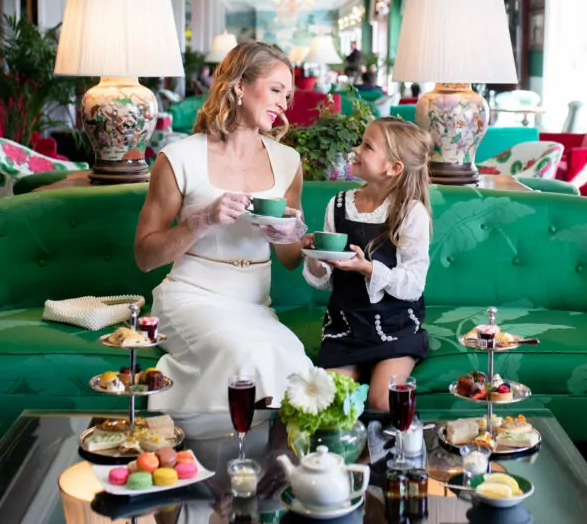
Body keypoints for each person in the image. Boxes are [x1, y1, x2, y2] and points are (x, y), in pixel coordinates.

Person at [135, 41, 312, 411]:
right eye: (276, 90)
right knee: (241, 356)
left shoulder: (287, 161)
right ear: (239, 86)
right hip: (191, 297)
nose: (285, 103)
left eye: (288, 95)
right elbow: (145, 257)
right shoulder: (180, 158)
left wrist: (289, 233)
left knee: (297, 367)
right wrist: (202, 219)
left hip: (254, 306)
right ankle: (214, 457)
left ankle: (266, 465)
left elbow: (291, 260)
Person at [301, 117, 433, 410]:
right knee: (330, 400)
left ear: (394, 167)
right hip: (346, 328)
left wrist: (368, 268)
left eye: (367, 146)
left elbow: (413, 285)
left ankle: (398, 452)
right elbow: (326, 281)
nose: (356, 149)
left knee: (382, 400)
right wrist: (315, 258)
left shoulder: (411, 213)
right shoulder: (338, 205)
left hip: (395, 329)